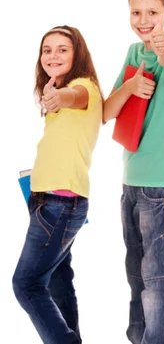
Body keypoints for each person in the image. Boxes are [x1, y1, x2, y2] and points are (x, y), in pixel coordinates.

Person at [102, 0, 164, 344]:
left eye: (152, 11)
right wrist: (130, 86)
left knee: (158, 281)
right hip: (131, 179)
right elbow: (108, 110)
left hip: (160, 183)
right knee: (136, 275)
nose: (143, 19)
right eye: (136, 11)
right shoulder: (133, 53)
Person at [12, 25, 103, 344]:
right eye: (47, 49)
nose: (53, 55)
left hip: (59, 204)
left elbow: (72, 96)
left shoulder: (82, 88)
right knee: (58, 281)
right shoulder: (66, 95)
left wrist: (57, 96)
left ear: (78, 54)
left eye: (62, 49)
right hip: (47, 200)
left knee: (26, 284)